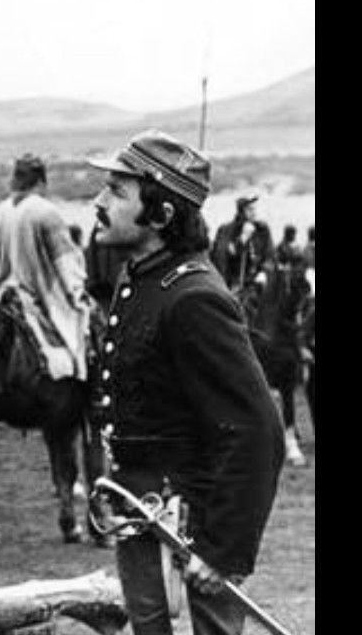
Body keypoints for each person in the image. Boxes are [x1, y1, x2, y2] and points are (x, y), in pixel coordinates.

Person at [86, 130, 284, 635]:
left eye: (116, 191)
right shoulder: (142, 278)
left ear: (161, 215)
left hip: (192, 523)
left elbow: (258, 430)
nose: (99, 202)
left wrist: (222, 550)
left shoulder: (192, 297)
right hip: (141, 511)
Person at [0, 154, 92, 382]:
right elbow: (66, 262)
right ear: (40, 181)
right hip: (38, 294)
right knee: (88, 327)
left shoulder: (2, 210)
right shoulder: (45, 211)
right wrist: (78, 294)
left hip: (3, 293)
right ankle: (89, 383)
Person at [210, 195, 274, 295]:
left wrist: (264, 272)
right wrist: (243, 239)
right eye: (249, 210)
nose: (254, 213)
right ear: (241, 212)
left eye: (254, 209)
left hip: (257, 282)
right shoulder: (228, 230)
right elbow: (222, 255)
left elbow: (270, 255)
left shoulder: (262, 230)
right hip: (234, 282)